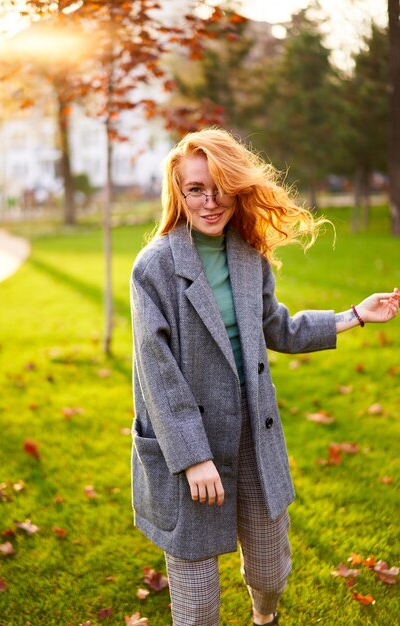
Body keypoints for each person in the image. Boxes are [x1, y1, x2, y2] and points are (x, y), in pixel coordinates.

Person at [129, 128, 399, 626]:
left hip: (255, 433)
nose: (210, 202)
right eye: (195, 189)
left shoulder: (248, 256)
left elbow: (277, 327)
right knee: (197, 607)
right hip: (187, 448)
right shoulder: (155, 267)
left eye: (221, 188)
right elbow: (155, 372)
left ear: (238, 187)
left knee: (271, 573)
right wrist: (193, 458)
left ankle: (263, 618)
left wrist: (355, 315)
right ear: (178, 191)